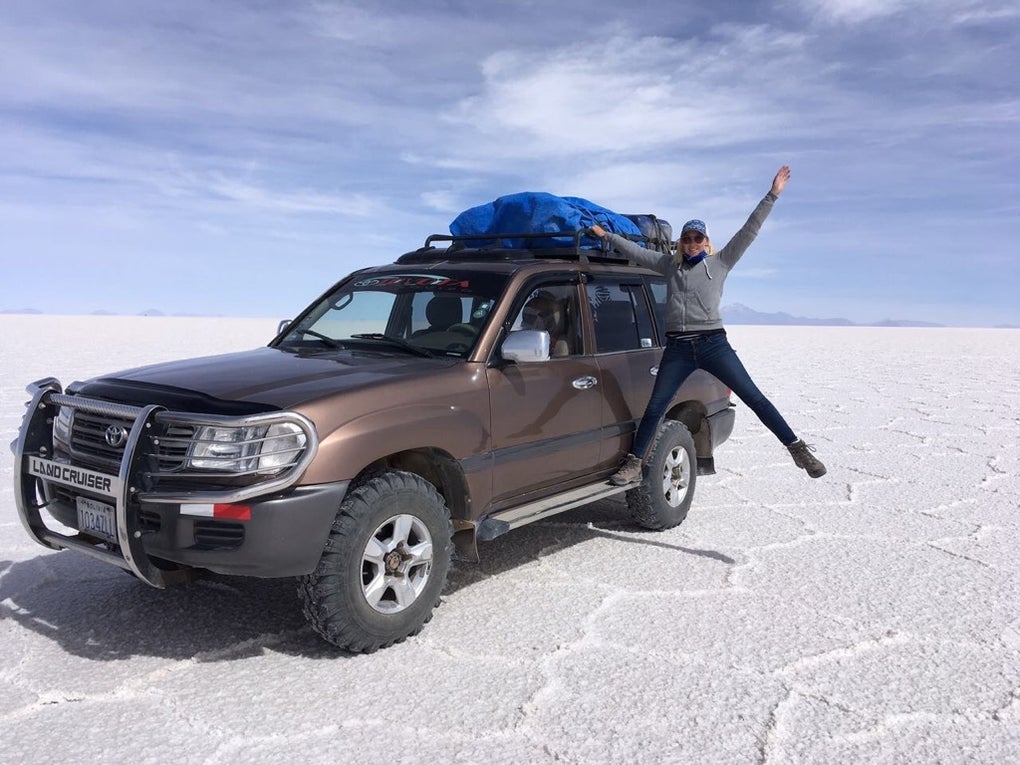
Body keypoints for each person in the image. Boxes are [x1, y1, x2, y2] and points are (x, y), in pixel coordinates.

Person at [589, 166, 826, 484]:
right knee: (656, 406)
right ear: (680, 243)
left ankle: (798, 449)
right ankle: (634, 464)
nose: (691, 243)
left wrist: (772, 195)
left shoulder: (721, 262)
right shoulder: (667, 266)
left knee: (754, 398)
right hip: (678, 348)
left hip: (714, 344)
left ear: (706, 241)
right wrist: (608, 237)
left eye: (697, 238)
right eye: (686, 239)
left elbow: (749, 231)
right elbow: (636, 252)